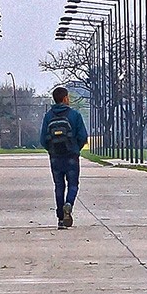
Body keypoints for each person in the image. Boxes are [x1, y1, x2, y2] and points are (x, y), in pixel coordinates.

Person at [40, 85, 88, 229]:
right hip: (71, 156)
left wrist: (52, 150)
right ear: (66, 98)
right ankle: (69, 204)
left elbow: (43, 139)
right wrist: (75, 149)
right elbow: (83, 136)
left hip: (55, 157)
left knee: (59, 186)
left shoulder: (48, 116)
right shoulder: (75, 115)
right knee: (73, 184)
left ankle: (61, 219)